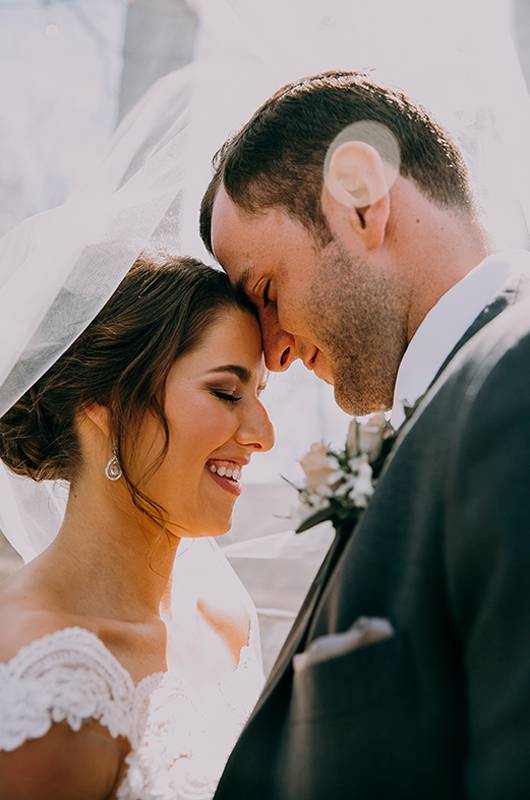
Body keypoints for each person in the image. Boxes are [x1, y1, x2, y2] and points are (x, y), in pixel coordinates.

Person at [200, 70, 530, 799]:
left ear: (358, 195)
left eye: (266, 292)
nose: (274, 353)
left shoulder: (516, 379)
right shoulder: (454, 409)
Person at [0, 254, 274, 800]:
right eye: (225, 392)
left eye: (260, 397)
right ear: (102, 405)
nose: (263, 435)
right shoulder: (43, 680)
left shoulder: (227, 620)